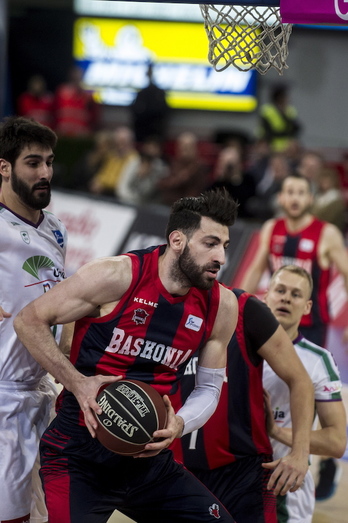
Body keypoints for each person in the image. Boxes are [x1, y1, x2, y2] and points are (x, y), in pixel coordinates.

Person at [14, 189, 244, 523]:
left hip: (148, 463)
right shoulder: (116, 275)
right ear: (177, 240)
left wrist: (180, 423)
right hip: (79, 455)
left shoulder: (222, 305)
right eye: (210, 243)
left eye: (224, 245)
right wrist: (79, 384)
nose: (221, 257)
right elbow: (29, 321)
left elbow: (209, 389)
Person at [170, 286, 314, 523]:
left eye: (223, 246)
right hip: (178, 470)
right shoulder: (159, 308)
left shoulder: (246, 309)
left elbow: (300, 380)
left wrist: (300, 453)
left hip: (243, 473)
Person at [0, 116, 69, 523]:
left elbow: (59, 306)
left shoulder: (56, 230)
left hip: (42, 391)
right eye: (32, 162)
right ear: (4, 166)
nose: (44, 173)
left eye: (49, 162)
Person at [263, 265, 347, 522]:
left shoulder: (318, 360)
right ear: (266, 296)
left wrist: (277, 432)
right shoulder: (232, 342)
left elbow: (336, 441)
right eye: (280, 290)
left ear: (308, 307)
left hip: (282, 487)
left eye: (296, 294)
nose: (286, 298)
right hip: (224, 475)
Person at [240, 172, 348, 348]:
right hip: (273, 320)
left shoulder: (326, 233)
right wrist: (239, 306)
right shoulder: (271, 228)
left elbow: (346, 273)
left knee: (303, 375)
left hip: (312, 325)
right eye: (290, 192)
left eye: (301, 192)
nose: (295, 198)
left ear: (310, 198)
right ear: (281, 198)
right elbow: (255, 270)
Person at [158, 131, 209, 206]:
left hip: (185, 207)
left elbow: (195, 193)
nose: (183, 149)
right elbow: (162, 184)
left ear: (194, 148)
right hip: (166, 204)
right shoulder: (173, 163)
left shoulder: (199, 167)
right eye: (181, 146)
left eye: (187, 147)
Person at [89, 125, 140, 198]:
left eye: (123, 142)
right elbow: (104, 172)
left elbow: (121, 182)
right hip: (104, 192)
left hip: (119, 195)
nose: (120, 145)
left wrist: (103, 183)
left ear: (130, 143)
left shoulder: (133, 159)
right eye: (118, 142)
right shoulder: (112, 155)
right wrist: (97, 180)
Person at [53, 65, 100, 137]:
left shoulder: (89, 94)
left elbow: (94, 116)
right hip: (63, 132)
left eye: (79, 74)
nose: (77, 77)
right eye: (75, 74)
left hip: (81, 133)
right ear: (71, 75)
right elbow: (54, 111)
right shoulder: (62, 91)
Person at [130, 62, 170, 143]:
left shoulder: (160, 93)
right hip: (142, 133)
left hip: (156, 133)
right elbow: (135, 110)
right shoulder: (141, 93)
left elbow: (165, 111)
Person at [258, 83, 301, 153]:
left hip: (287, 147)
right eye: (285, 96)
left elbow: (296, 128)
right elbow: (267, 131)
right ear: (279, 97)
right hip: (271, 146)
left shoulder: (290, 110)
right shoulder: (267, 110)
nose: (287, 98)